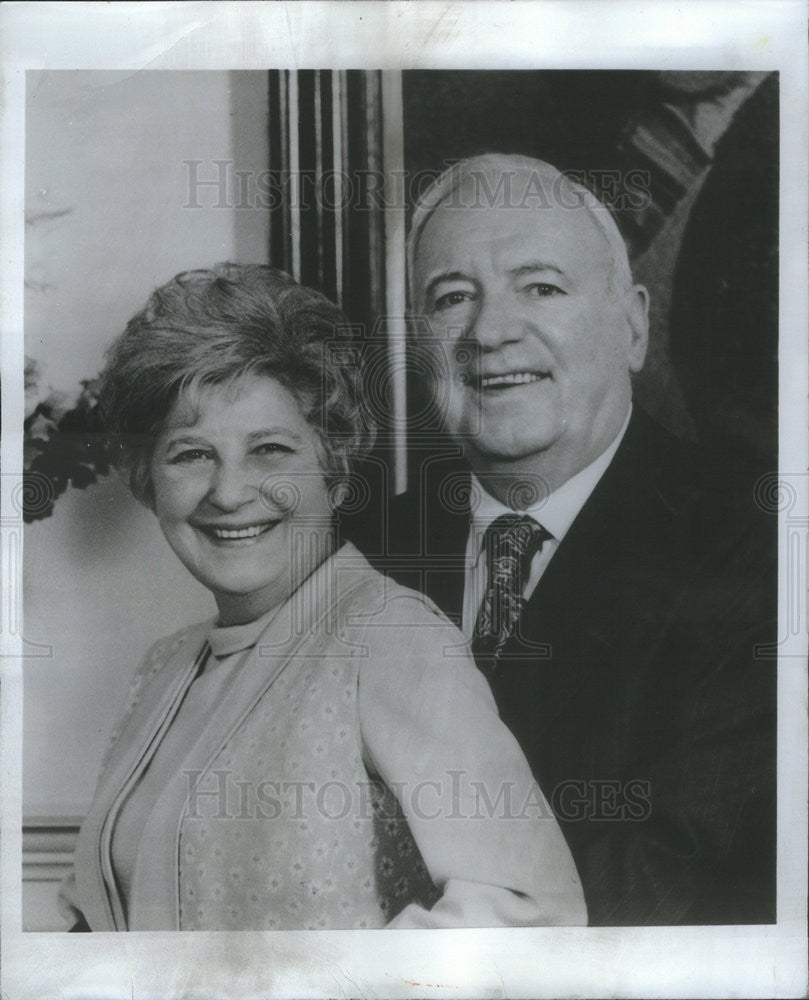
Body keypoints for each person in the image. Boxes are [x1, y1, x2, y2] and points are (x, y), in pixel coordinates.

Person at [59, 263, 586, 932]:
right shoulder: (162, 670)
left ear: (333, 472)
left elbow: (529, 907)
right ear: (147, 480)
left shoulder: (387, 637)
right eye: (190, 454)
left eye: (270, 450)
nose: (228, 492)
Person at [349, 154, 776, 925]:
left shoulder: (757, 546)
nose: (491, 332)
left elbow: (676, 869)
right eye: (451, 299)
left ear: (633, 324)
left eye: (540, 287)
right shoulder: (363, 553)